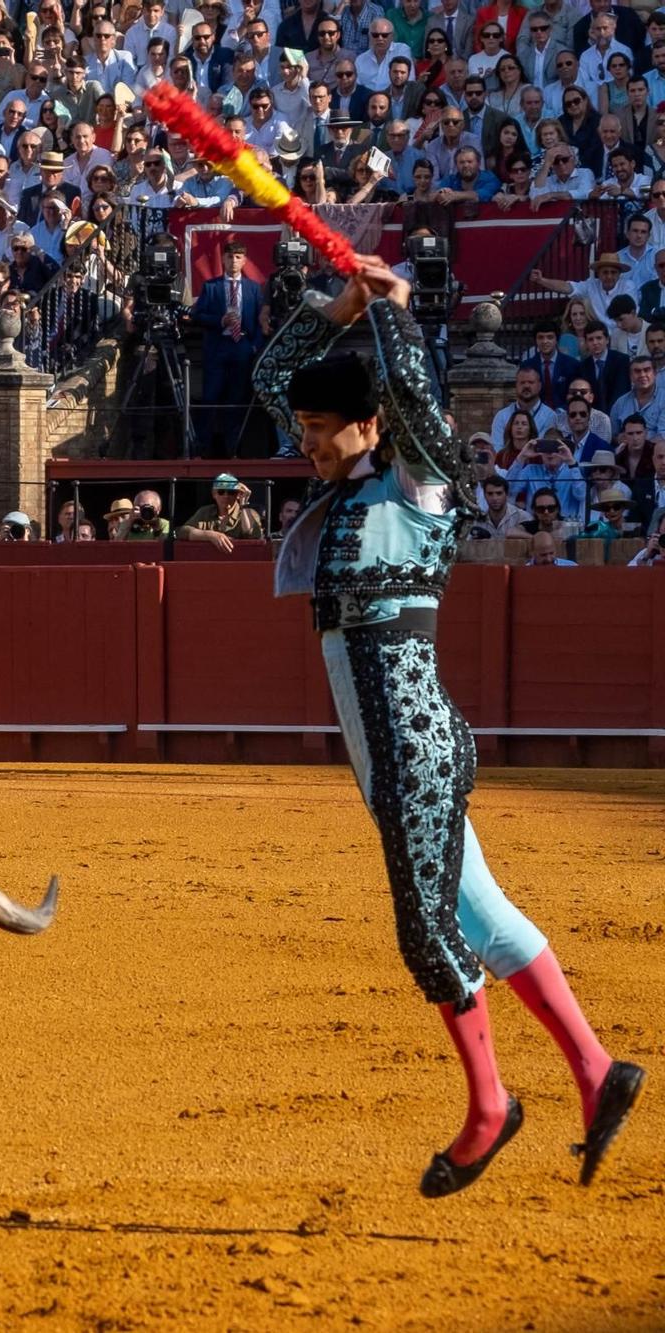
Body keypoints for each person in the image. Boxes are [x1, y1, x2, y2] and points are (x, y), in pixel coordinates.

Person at [254, 254, 644, 1198]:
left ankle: (490, 1106)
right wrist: (336, 308)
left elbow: (418, 399)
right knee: (479, 913)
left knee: (426, 929)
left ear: (370, 425)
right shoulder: (348, 484)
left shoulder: (421, 484)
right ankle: (597, 1072)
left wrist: (390, 310)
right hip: (397, 752)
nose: (304, 440)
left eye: (320, 429)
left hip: (414, 749)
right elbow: (274, 379)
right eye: (304, 430)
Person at [189, 241, 269, 457]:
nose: (233, 261)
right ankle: (202, 450)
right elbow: (198, 315)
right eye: (229, 257)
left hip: (242, 346)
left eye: (238, 257)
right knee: (210, 398)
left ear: (244, 261)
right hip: (218, 347)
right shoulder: (211, 286)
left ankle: (233, 450)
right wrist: (220, 320)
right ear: (223, 259)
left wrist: (254, 346)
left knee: (237, 401)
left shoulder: (253, 288)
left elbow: (260, 318)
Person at [177, 474, 267, 551]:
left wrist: (243, 504)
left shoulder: (249, 513)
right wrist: (210, 535)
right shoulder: (205, 512)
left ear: (238, 495)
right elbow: (182, 532)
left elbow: (252, 535)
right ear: (214, 494)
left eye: (231, 492)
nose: (226, 496)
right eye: (221, 492)